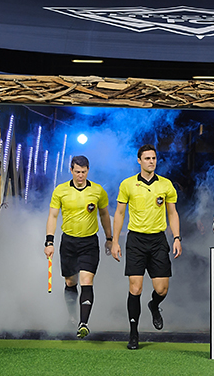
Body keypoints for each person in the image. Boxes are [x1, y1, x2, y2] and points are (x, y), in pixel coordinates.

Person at [111, 144, 182, 350]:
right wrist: (115, 241)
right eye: (147, 158)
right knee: (136, 287)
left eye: (154, 158)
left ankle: (154, 305)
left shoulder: (166, 185)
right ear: (139, 161)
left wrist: (177, 237)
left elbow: (172, 213)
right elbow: (119, 214)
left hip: (158, 240)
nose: (151, 161)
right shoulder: (127, 184)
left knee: (161, 289)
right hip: (136, 241)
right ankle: (134, 334)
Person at [44, 155, 113, 340]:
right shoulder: (61, 190)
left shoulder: (97, 191)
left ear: (88, 170)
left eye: (83, 172)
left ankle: (84, 323)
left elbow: (105, 214)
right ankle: (72, 317)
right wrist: (49, 242)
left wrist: (109, 238)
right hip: (68, 243)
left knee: (86, 280)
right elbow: (52, 216)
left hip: (89, 243)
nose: (80, 175)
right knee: (70, 282)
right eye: (77, 172)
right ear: (71, 170)